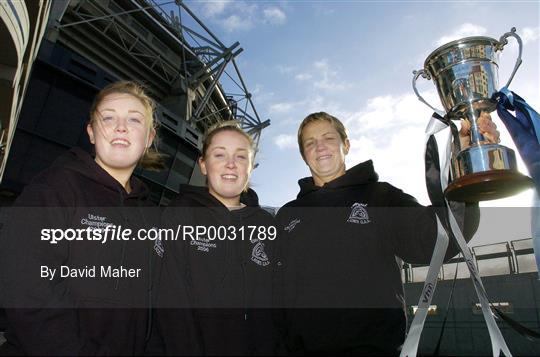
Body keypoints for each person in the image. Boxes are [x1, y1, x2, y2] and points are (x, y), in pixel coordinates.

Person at [273, 111, 499, 355]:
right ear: (303, 155)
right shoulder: (287, 215)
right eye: (310, 143)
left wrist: (464, 166)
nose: (320, 147)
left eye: (328, 138)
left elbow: (436, 237)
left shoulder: (381, 197)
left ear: (345, 145)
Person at [0, 81, 162, 355]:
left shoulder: (152, 218)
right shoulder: (55, 188)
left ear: (148, 138)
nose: (120, 127)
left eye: (134, 119)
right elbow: (25, 286)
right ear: (91, 132)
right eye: (108, 117)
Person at [156, 121, 278, 355]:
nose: (231, 164)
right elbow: (169, 305)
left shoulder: (266, 224)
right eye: (219, 154)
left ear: (251, 166)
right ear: (203, 164)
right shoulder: (179, 215)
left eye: (241, 157)